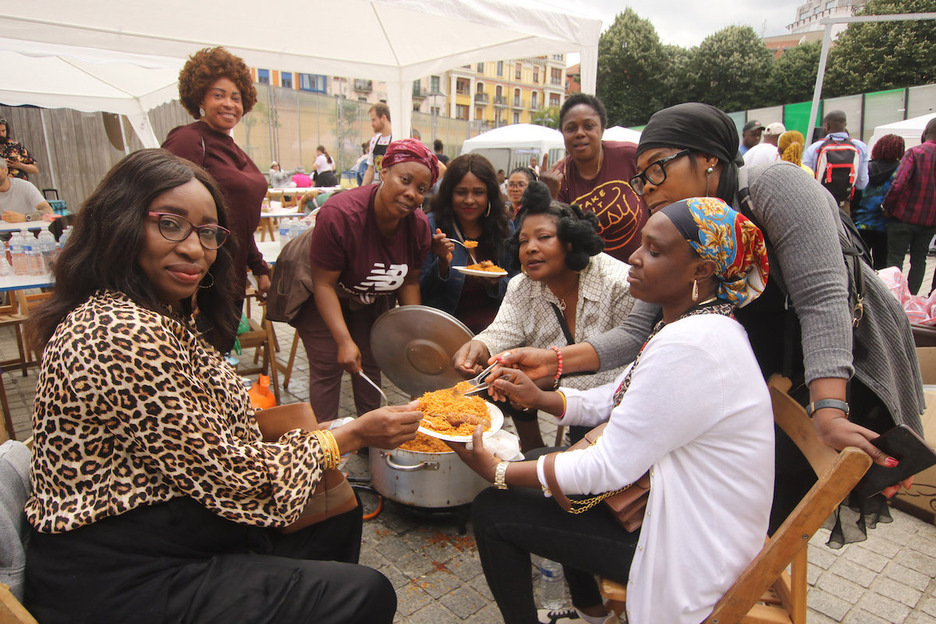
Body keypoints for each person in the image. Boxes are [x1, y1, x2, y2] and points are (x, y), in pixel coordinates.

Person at [493, 102, 924, 547]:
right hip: (773, 351)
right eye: (640, 178)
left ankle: (713, 589)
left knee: (784, 492)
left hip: (845, 351)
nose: (647, 190)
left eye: (657, 169)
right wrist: (554, 361)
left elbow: (822, 298)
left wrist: (830, 410)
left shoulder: (776, 185)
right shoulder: (689, 221)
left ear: (710, 158)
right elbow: (634, 332)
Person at [23, 148, 422, 624]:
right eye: (169, 223)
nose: (195, 249)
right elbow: (236, 480)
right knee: (364, 594)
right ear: (119, 223)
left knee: (337, 512)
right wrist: (349, 435)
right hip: (115, 569)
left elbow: (209, 439)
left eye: (207, 232)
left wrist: (325, 432)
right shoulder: (121, 332)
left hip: (177, 514)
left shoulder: (158, 313)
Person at [449, 197, 773, 624]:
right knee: (537, 469)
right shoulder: (695, 325)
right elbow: (617, 395)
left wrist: (497, 471)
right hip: (681, 512)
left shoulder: (692, 344)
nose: (635, 259)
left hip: (690, 550)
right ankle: (590, 611)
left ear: (702, 270)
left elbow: (606, 467)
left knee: (494, 507)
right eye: (642, 245)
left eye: (654, 252)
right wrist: (541, 397)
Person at [453, 181, 634, 452]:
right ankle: (532, 450)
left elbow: (622, 373)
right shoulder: (522, 285)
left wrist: (550, 380)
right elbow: (504, 329)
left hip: (617, 410)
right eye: (523, 240)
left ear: (572, 240)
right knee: (502, 374)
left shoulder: (619, 284)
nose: (530, 248)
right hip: (556, 389)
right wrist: (480, 345)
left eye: (544, 237)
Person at [294, 139, 438, 423]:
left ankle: (370, 441)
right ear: (384, 172)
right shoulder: (340, 215)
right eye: (405, 180)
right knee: (329, 365)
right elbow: (323, 284)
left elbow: (409, 283)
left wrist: (413, 334)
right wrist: (344, 340)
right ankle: (326, 449)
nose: (411, 194)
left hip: (367, 293)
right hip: (319, 289)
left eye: (420, 189)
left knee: (369, 362)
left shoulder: (419, 226)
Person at [162, 46, 271, 347]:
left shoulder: (234, 149)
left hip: (230, 280)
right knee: (194, 368)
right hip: (198, 281)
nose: (229, 104)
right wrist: (187, 284)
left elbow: (237, 221)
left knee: (216, 361)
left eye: (236, 97)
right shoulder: (188, 140)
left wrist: (259, 268)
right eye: (218, 95)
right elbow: (166, 212)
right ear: (200, 98)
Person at [540, 94, 646, 263]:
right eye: (571, 128)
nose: (580, 133)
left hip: (641, 271)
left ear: (602, 129)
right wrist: (547, 197)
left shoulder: (631, 157)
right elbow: (552, 237)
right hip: (590, 281)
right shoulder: (558, 179)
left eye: (588, 126)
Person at [420, 153, 515, 334]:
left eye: (478, 192)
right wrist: (441, 264)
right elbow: (421, 294)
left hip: (496, 332)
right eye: (461, 192)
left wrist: (495, 284)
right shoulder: (431, 226)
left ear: (489, 195)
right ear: (449, 193)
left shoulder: (504, 228)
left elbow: (517, 284)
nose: (469, 200)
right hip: (445, 330)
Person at [884, 119, 936, 295]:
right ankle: (912, 296)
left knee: (895, 259)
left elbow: (898, 184)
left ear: (926, 131)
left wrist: (888, 206)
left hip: (903, 217)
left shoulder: (915, 152)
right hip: (930, 221)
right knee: (919, 259)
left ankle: (892, 298)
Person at [854, 134, 905, 270]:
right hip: (887, 225)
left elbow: (856, 193)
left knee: (861, 264)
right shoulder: (901, 170)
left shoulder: (866, 168)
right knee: (882, 265)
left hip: (862, 222)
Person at [803, 110, 869, 214]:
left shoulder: (814, 148)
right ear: (845, 124)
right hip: (844, 204)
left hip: (821, 203)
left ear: (826, 126)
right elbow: (862, 183)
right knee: (843, 229)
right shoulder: (860, 147)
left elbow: (806, 180)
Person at [362, 103, 393, 185]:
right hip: (376, 187)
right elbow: (370, 169)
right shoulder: (375, 140)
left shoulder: (396, 139)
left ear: (383, 118)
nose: (372, 124)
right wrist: (361, 190)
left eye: (373, 120)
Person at [0, 118, 39, 182]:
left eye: (3, 131)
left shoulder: (16, 146)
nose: (1, 134)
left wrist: (20, 165)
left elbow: (35, 170)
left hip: (20, 187)